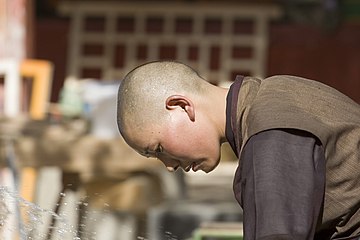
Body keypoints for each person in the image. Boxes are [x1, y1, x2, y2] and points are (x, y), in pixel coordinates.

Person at [116, 61, 360, 240]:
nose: (169, 166)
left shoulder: (270, 133)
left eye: (158, 149)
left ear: (181, 106)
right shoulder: (274, 94)